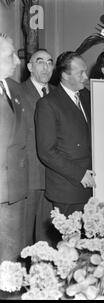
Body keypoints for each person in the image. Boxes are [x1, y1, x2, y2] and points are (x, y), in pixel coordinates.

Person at [35, 51, 95, 228]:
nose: (86, 77)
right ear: (64, 75)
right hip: (68, 189)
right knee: (69, 246)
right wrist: (79, 174)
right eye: (80, 73)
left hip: (93, 187)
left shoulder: (88, 96)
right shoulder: (48, 104)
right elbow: (46, 151)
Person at [21, 49, 54, 246]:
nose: (46, 67)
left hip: (52, 178)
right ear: (30, 67)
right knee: (23, 239)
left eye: (50, 62)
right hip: (28, 177)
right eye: (40, 62)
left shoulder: (58, 93)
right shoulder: (17, 92)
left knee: (47, 239)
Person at [0, 34, 28, 267]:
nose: (17, 61)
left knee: (10, 258)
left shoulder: (15, 88)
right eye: (11, 55)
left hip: (14, 191)